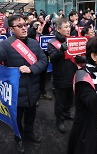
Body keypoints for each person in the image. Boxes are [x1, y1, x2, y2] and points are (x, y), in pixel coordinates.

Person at [0, 15, 47, 153]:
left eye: (25, 24)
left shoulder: (33, 43)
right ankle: (18, 138)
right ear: (11, 29)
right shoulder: (5, 45)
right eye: (19, 26)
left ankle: (29, 133)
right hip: (16, 94)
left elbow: (44, 61)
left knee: (31, 116)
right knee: (16, 119)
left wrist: (32, 69)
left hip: (33, 90)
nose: (24, 28)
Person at [48, 17, 77, 134]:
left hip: (73, 75)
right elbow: (52, 59)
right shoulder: (52, 43)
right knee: (60, 102)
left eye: (69, 27)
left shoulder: (72, 40)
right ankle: (59, 120)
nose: (68, 29)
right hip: (60, 77)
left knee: (70, 99)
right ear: (58, 29)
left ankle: (66, 113)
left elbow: (76, 56)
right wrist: (61, 50)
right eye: (65, 27)